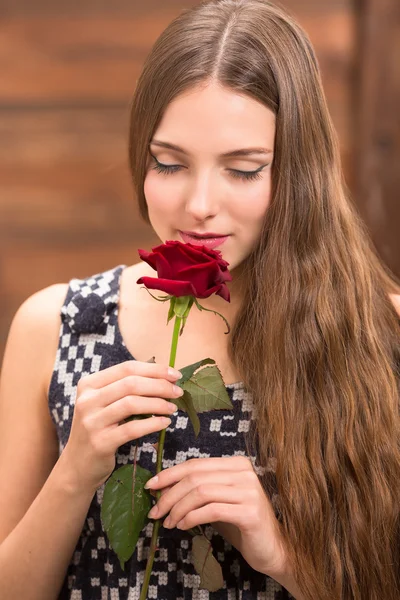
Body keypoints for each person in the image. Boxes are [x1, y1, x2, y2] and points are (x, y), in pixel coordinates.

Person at [1, 0, 400, 598]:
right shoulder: (58, 325)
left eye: (243, 169)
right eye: (169, 163)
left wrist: (283, 556)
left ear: (299, 170)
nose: (199, 205)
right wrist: (74, 473)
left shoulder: (379, 330)